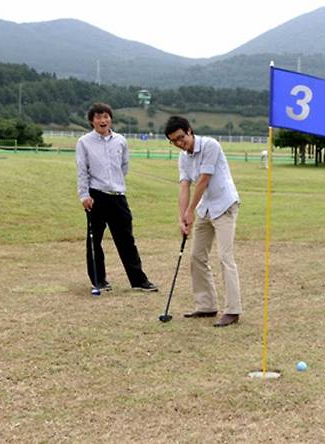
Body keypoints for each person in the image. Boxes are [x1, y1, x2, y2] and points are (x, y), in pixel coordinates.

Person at [164, 116, 242, 327]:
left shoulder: (210, 145)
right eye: (174, 141)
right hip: (205, 208)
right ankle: (206, 305)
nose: (180, 143)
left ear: (189, 131)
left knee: (225, 257)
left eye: (182, 138)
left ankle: (233, 311)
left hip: (224, 205)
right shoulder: (183, 158)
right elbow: (184, 186)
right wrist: (182, 217)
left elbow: (203, 181)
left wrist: (190, 211)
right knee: (197, 256)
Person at [75, 102, 157, 293]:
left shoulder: (120, 140)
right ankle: (99, 280)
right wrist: (84, 195)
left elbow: (124, 166)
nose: (103, 120)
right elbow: (82, 171)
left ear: (110, 118)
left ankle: (138, 280)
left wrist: (115, 183)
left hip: (118, 195)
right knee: (94, 240)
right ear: (92, 121)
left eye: (106, 116)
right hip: (96, 196)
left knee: (126, 239)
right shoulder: (84, 142)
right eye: (98, 117)